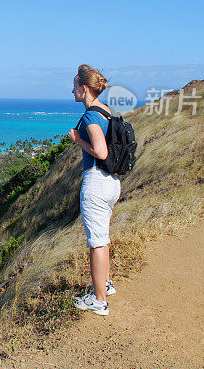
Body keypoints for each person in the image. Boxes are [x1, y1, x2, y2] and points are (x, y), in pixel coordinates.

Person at [67, 64, 120, 316]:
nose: (72, 90)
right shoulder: (106, 111)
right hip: (111, 182)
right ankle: (105, 284)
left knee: (97, 242)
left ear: (84, 88)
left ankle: (99, 300)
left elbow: (100, 151)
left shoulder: (90, 116)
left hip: (97, 181)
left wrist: (78, 140)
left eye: (75, 86)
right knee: (103, 237)